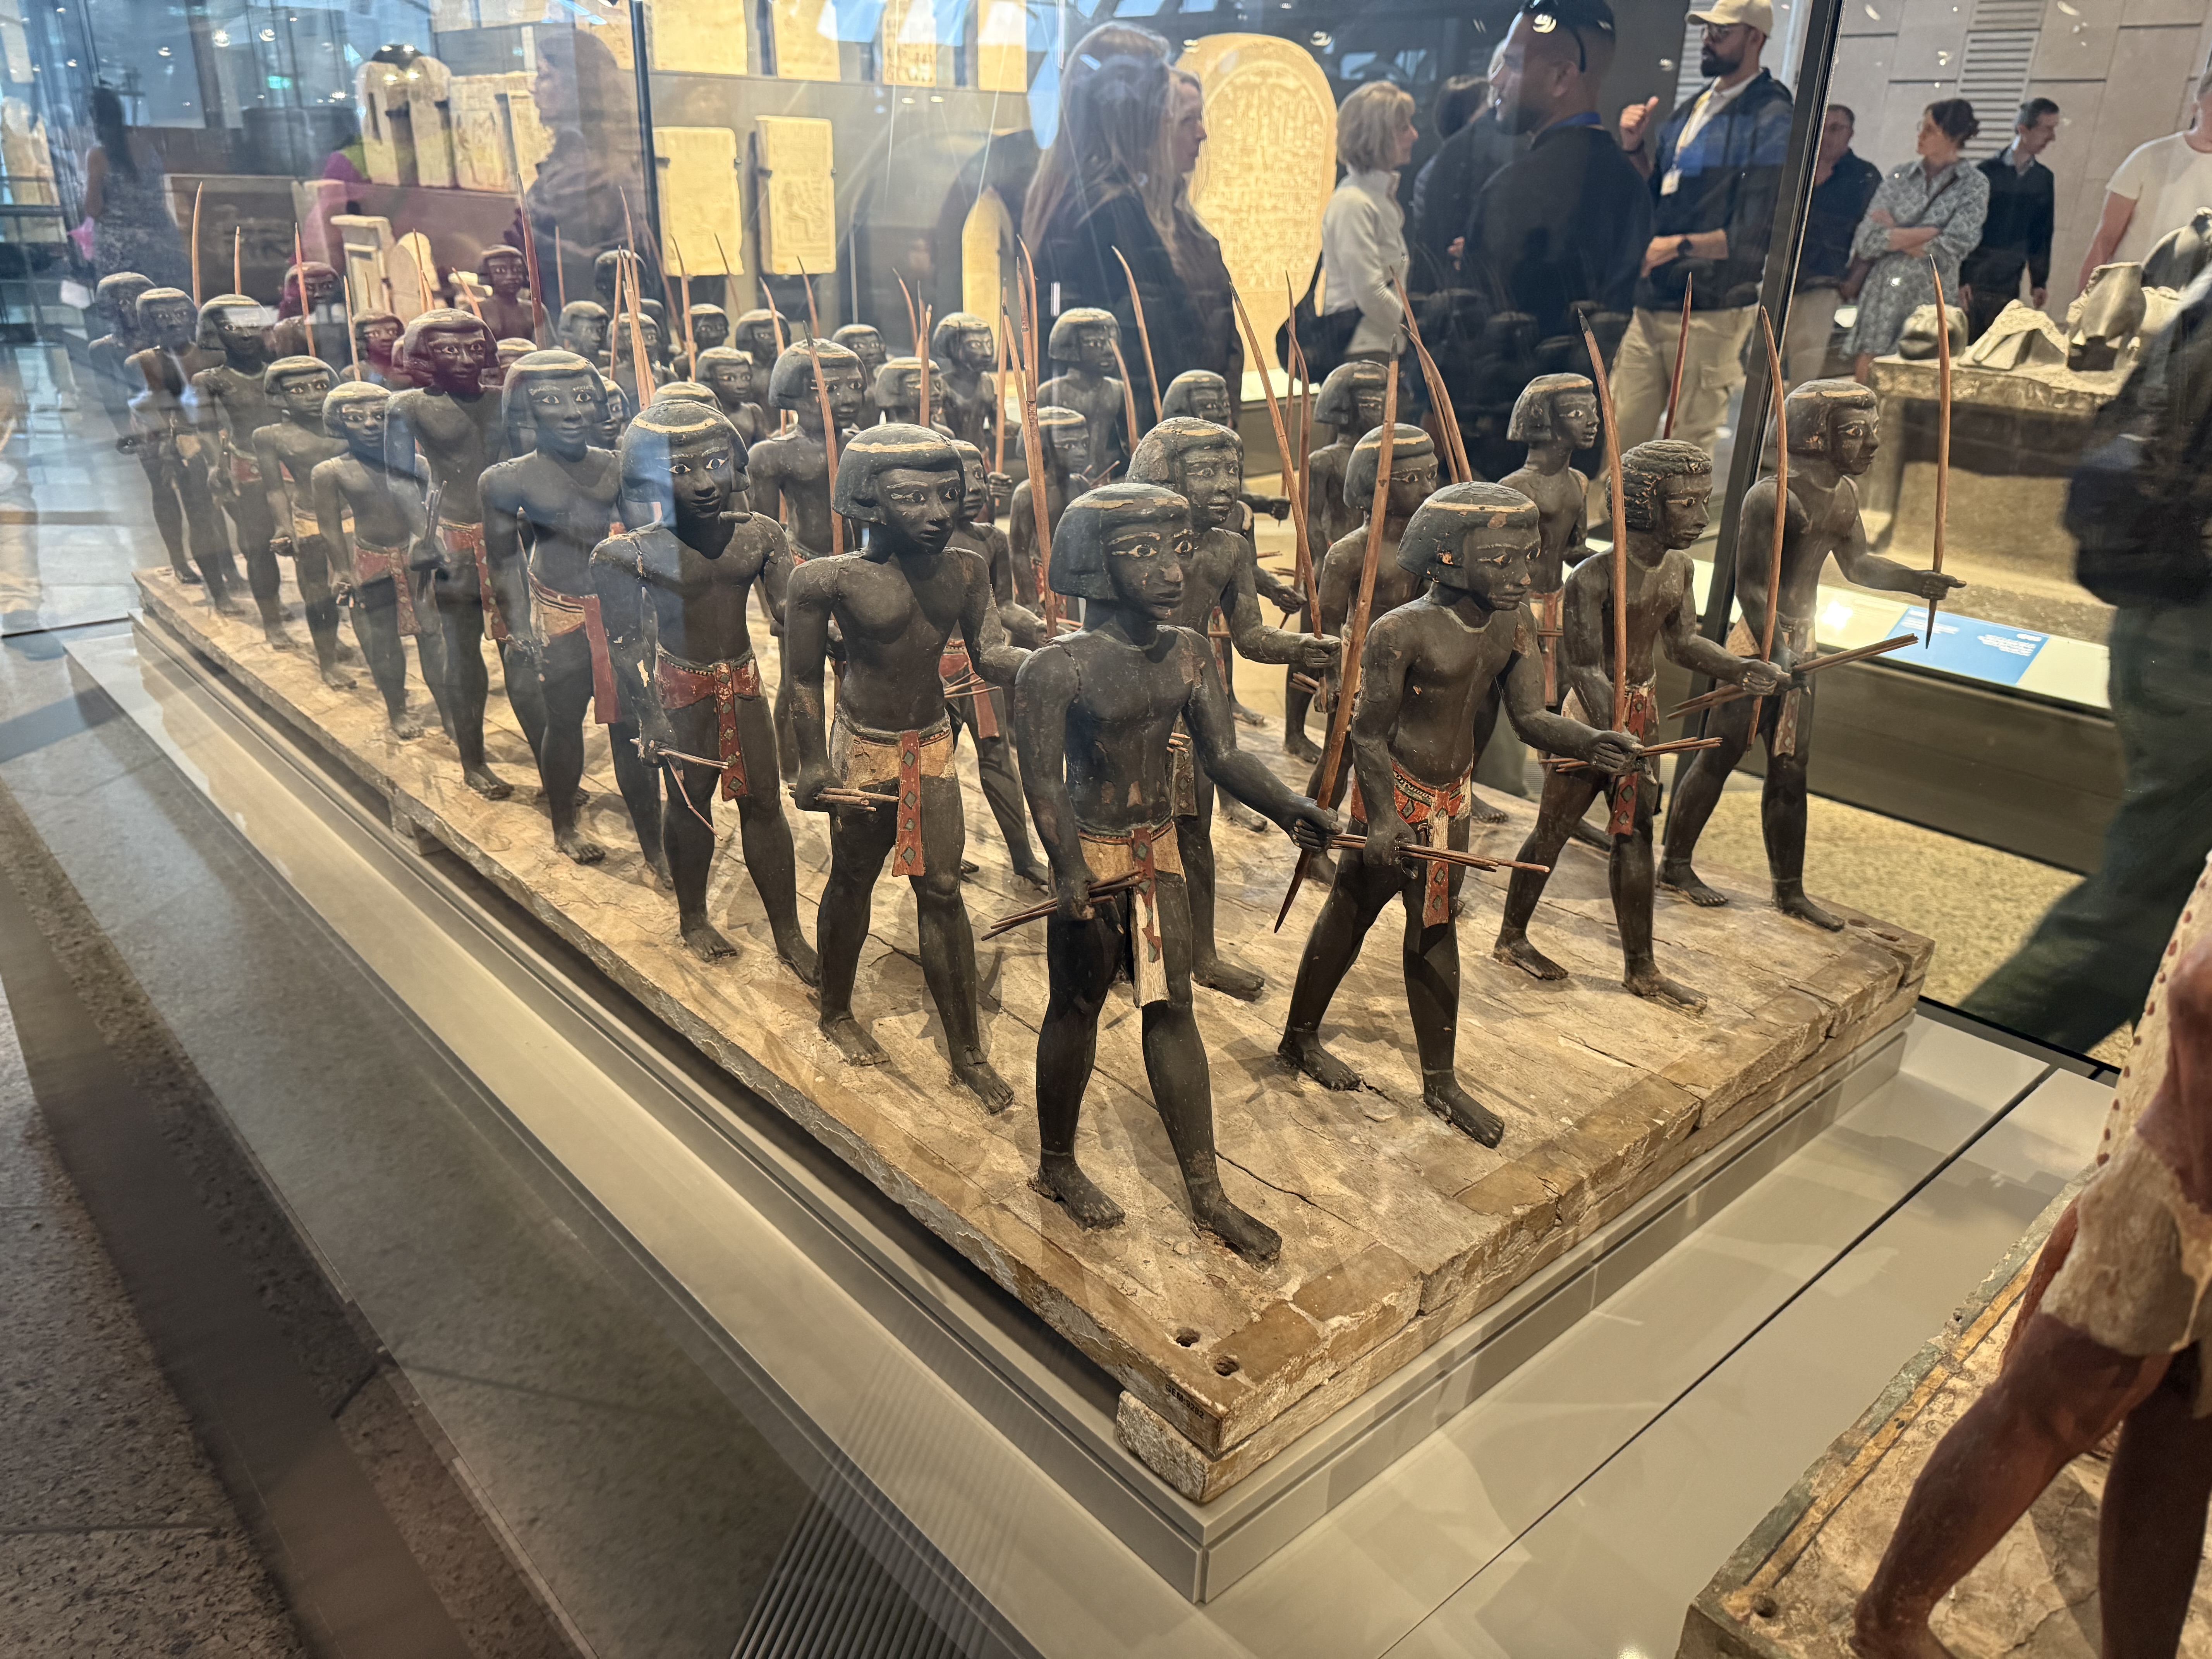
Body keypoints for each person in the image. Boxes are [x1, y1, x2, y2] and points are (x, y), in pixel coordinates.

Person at [1959, 278, 2212, 1055]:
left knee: (2167, 913)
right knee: (2133, 917)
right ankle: (1957, 1070)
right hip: (2193, 639)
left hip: (2169, 621)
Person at [1611, 0, 1793, 453]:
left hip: (1712, 306)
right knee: (1619, 437)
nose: (1708, 40)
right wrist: (1634, 149)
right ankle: (1614, 504)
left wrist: (1675, 246)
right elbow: (1658, 193)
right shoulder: (1694, 108)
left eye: (1721, 32)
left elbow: (1755, 231)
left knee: (1686, 449)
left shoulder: (1772, 115)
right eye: (1707, 30)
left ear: (1755, 37)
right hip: (1654, 299)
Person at [1024, 24, 1204, 419]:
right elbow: (1142, 353)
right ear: (1132, 110)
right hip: (1126, 430)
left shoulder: (1075, 193)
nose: (1166, 116)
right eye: (1162, 103)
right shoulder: (1111, 208)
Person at [1463, 0, 1650, 351]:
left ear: (1562, 77)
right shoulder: (1630, 183)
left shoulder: (1514, 190)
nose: (1495, 79)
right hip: (1594, 381)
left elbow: (1479, 336)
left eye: (1512, 64)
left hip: (1514, 380)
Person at [1846, 99, 1989, 380]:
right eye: (1921, 127)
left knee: (1923, 372)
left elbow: (1955, 245)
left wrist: (1895, 231)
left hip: (1932, 294)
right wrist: (1930, 232)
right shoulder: (1900, 176)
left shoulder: (1973, 184)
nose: (1921, 135)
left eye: (1930, 130)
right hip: (1884, 292)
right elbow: (1866, 240)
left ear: (1954, 136)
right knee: (1870, 365)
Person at [2076, 61, 2212, 294]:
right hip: (2129, 293)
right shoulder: (2149, 157)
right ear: (2196, 106)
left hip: (2191, 301)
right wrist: (2082, 301)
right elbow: (2106, 239)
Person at [1321, 82, 1419, 390]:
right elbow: (1369, 291)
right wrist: (1416, 329)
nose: (1414, 135)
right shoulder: (1354, 203)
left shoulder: (1372, 199)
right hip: (1366, 356)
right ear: (1378, 136)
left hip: (1381, 349)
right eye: (1403, 129)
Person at [1784, 104, 1881, 386]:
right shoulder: (1795, 170)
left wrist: (1854, 279)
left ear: (1850, 134)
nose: (1827, 136)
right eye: (1823, 128)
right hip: (1780, 280)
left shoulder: (1863, 176)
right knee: (1764, 365)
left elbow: (1874, 233)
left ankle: (1796, 417)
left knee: (1805, 370)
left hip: (1825, 284)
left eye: (1836, 129)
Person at [1408, 66, 1523, 290]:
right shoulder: (1435, 173)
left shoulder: (1484, 164)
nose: (1493, 115)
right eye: (1486, 108)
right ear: (1467, 118)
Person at [1960, 98, 2059, 342]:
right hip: (1976, 274)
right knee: (1962, 343)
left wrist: (2039, 281)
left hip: (2010, 276)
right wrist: (1961, 278)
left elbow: (2042, 232)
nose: (2052, 137)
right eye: (2047, 129)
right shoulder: (1985, 173)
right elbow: (1966, 228)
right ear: (2024, 129)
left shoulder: (2044, 179)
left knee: (1995, 344)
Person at [81, 86, 187, 290]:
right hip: (162, 243)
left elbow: (93, 209)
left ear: (94, 121)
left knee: (128, 308)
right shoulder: (145, 146)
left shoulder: (98, 156)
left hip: (121, 252)